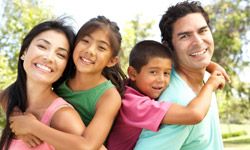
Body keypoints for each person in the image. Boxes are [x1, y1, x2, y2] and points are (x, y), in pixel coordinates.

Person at [9, 16, 127, 150]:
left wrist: (32, 127)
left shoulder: (109, 96)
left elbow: (88, 146)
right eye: (85, 41)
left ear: (111, 61)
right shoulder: (61, 75)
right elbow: (9, 93)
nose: (90, 50)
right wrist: (16, 115)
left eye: (101, 48)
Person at [135, 1, 226, 150]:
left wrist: (212, 66)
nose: (198, 41)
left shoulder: (206, 79)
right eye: (185, 36)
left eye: (203, 31)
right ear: (168, 47)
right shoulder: (178, 103)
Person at [106, 40, 226, 150]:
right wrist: (210, 85)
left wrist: (211, 66)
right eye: (153, 72)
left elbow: (182, 62)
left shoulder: (133, 85)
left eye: (166, 73)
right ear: (132, 73)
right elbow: (194, 114)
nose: (161, 80)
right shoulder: (133, 105)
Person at [0, 19, 86, 150]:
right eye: (42, 46)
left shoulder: (62, 116)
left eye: (61, 55)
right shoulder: (12, 99)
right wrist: (15, 116)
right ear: (24, 52)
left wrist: (33, 127)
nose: (49, 57)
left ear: (64, 69)